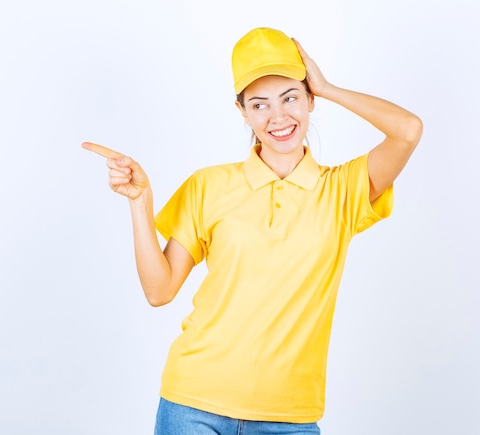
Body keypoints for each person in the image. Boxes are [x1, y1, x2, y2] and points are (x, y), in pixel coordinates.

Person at [83, 27, 422, 435]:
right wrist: (140, 202)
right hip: (192, 404)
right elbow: (160, 291)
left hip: (289, 418)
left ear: (310, 99)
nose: (278, 118)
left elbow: (408, 129)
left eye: (290, 98)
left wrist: (328, 86)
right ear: (242, 111)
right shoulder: (208, 185)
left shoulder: (342, 190)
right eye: (259, 104)